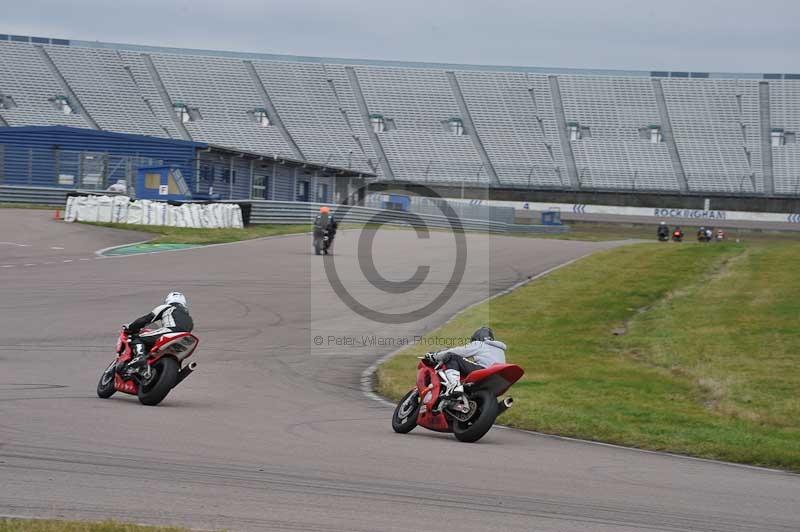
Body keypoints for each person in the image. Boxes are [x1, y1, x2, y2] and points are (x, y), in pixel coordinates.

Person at [122, 292, 194, 374]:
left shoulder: (167, 307)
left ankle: (139, 356)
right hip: (185, 339)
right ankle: (176, 371)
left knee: (136, 338)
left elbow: (147, 319)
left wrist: (130, 327)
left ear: (168, 300)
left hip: (170, 331)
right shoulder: (189, 319)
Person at [424, 327, 507, 398]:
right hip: (497, 378)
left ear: (478, 338)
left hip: (485, 370)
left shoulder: (480, 344)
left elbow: (459, 351)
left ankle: (454, 386)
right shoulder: (500, 350)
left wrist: (435, 356)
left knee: (452, 356)